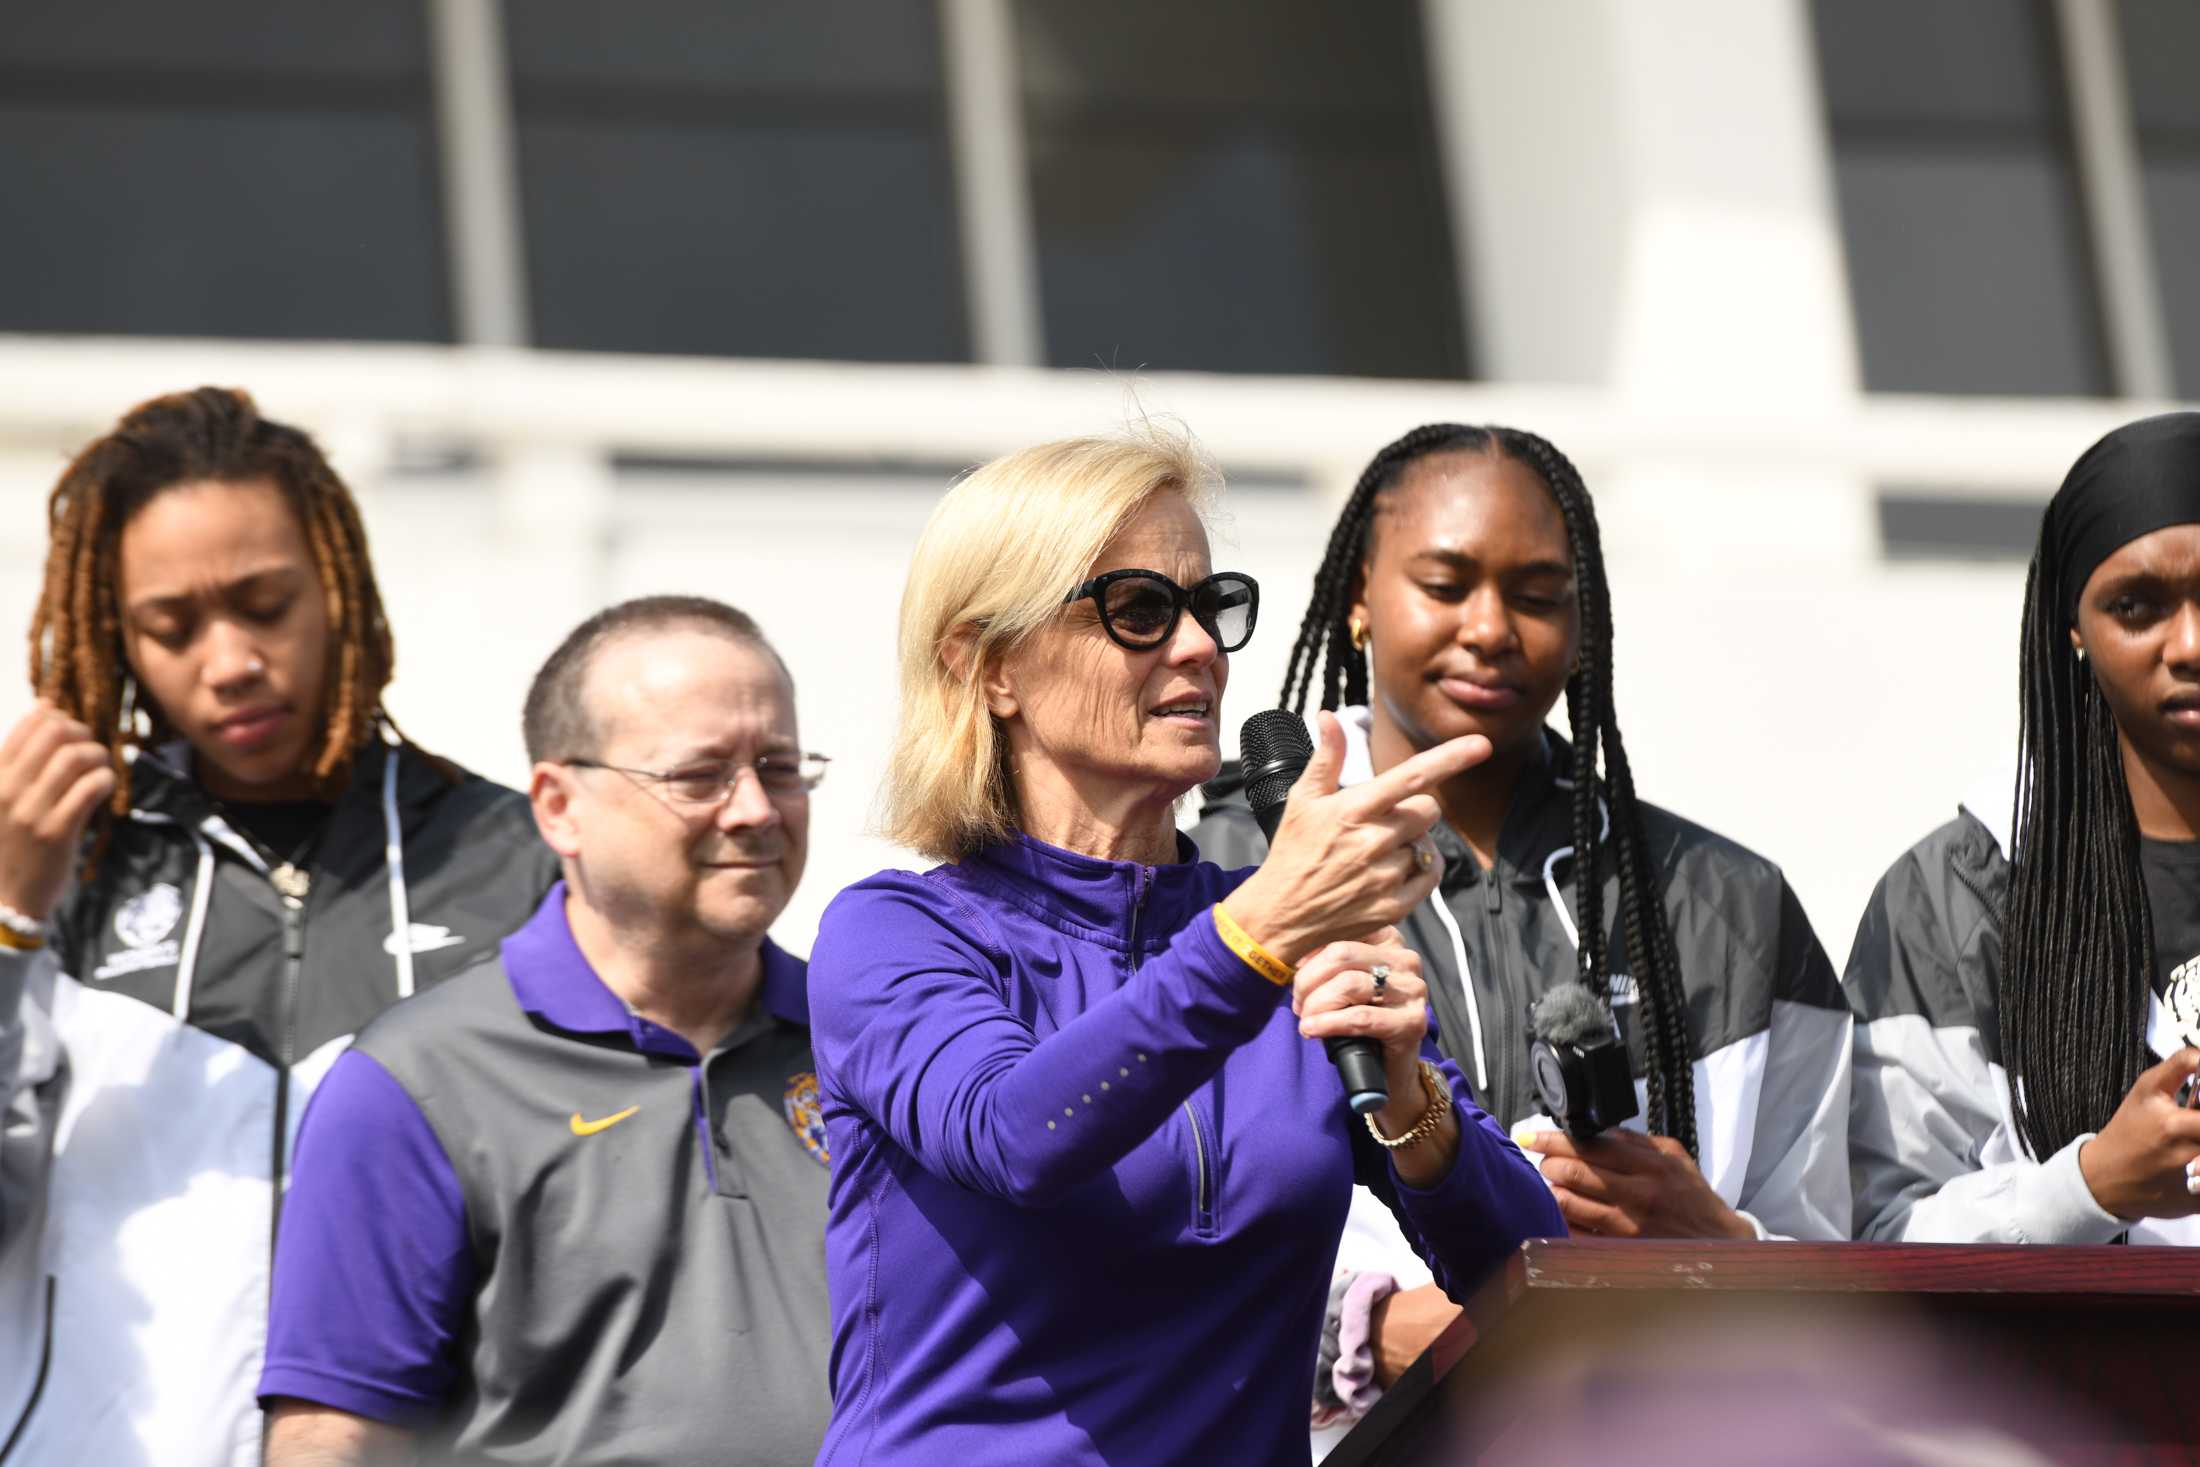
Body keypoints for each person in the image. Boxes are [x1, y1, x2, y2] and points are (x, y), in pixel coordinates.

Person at [807, 429, 1561, 1467]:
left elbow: (1531, 1275)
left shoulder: (1276, 929)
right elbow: (1020, 1135)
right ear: (987, 669)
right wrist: (1259, 933)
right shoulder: (896, 931)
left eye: (1210, 606)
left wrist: (1408, 1103)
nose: (1201, 648)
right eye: (1140, 611)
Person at [1192, 424, 1850, 1441]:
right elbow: (1158, 1233)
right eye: (1446, 585)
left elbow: (1842, 1267)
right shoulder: (1221, 872)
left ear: (1584, 628)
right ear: (1359, 598)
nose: (1491, 627)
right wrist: (1359, 1332)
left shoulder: (1731, 899)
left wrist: (1715, 1244)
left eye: (1538, 595)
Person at [0, 387, 557, 1465]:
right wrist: (10, 918)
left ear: (339, 591)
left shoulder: (513, 860)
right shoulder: (59, 864)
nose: (228, 661)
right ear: (118, 641)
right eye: (171, 627)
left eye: (263, 604)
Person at [259, 597, 834, 1465]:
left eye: (779, 766)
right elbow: (334, 1434)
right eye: (699, 774)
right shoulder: (420, 1081)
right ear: (559, 804)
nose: (754, 808)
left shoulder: (871, 1049)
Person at [1848, 412, 2200, 1244]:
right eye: (2138, 606)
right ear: (2073, 630)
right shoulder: (1954, 896)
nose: (2190, 642)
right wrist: (2088, 1186)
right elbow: (1881, 1234)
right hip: (2086, 1372)